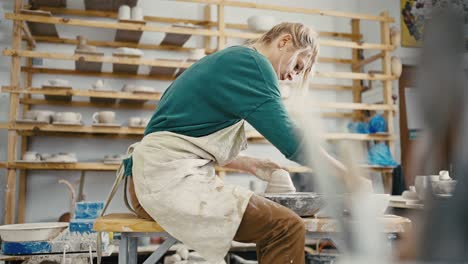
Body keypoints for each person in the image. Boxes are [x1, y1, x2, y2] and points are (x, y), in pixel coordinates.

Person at [126, 22, 323, 264]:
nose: (293, 76)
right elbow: (293, 143)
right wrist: (347, 174)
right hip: (162, 183)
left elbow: (186, 139)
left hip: (152, 179)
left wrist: (250, 164)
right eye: (298, 65)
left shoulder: (234, 60)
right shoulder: (253, 64)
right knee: (286, 227)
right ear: (284, 42)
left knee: (278, 225)